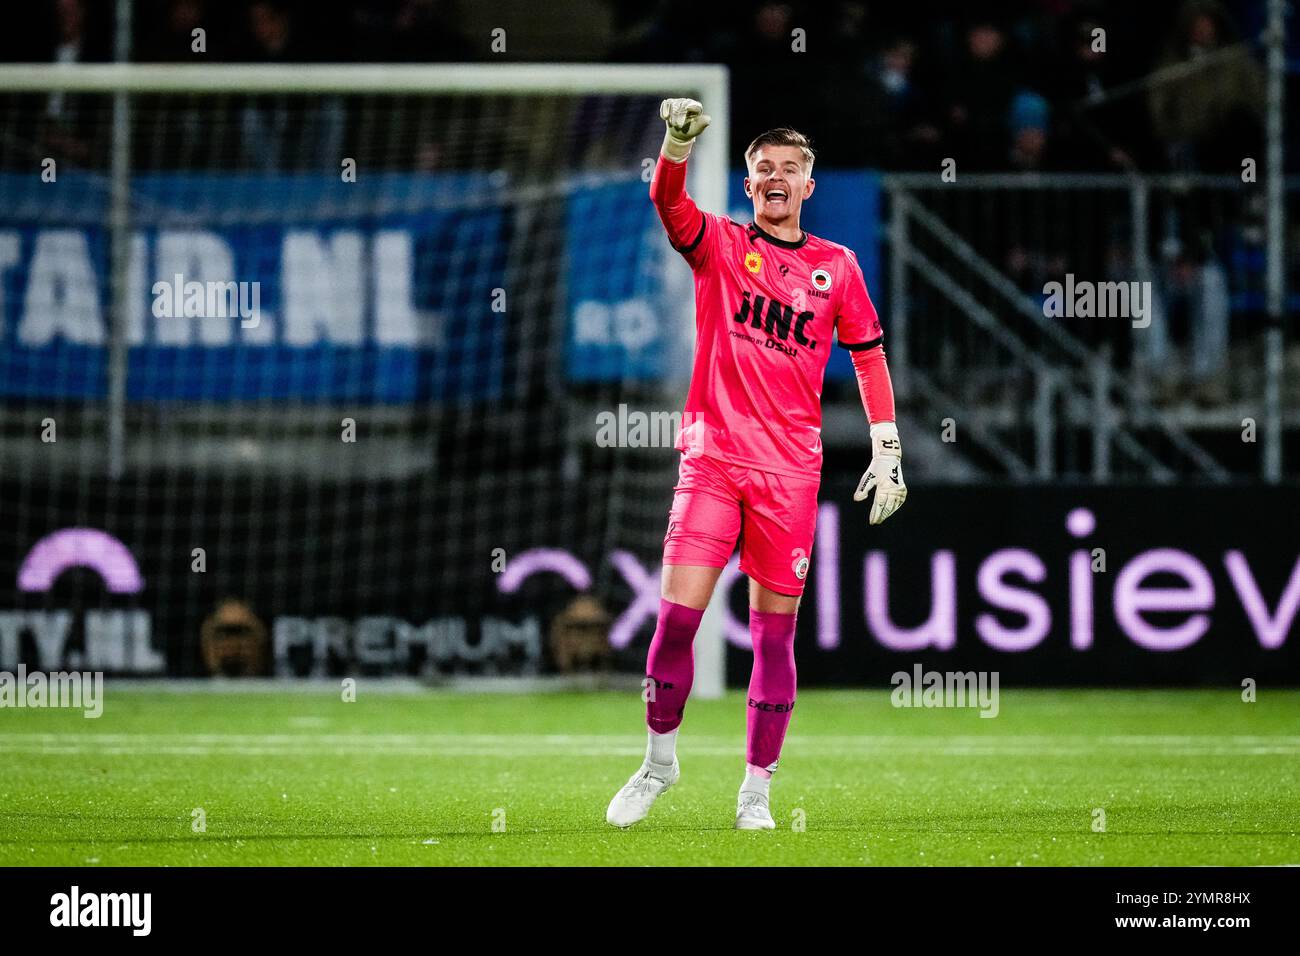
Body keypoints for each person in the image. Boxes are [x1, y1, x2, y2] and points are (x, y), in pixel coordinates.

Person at [605, 99, 906, 831]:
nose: (776, 178)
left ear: (810, 184)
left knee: (775, 638)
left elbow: (868, 355)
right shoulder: (718, 245)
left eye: (790, 169)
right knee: (675, 625)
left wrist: (887, 447)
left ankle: (755, 793)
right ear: (748, 186)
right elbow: (667, 199)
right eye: (763, 169)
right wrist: (677, 143)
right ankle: (657, 764)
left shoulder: (838, 267)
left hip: (791, 476)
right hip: (712, 462)